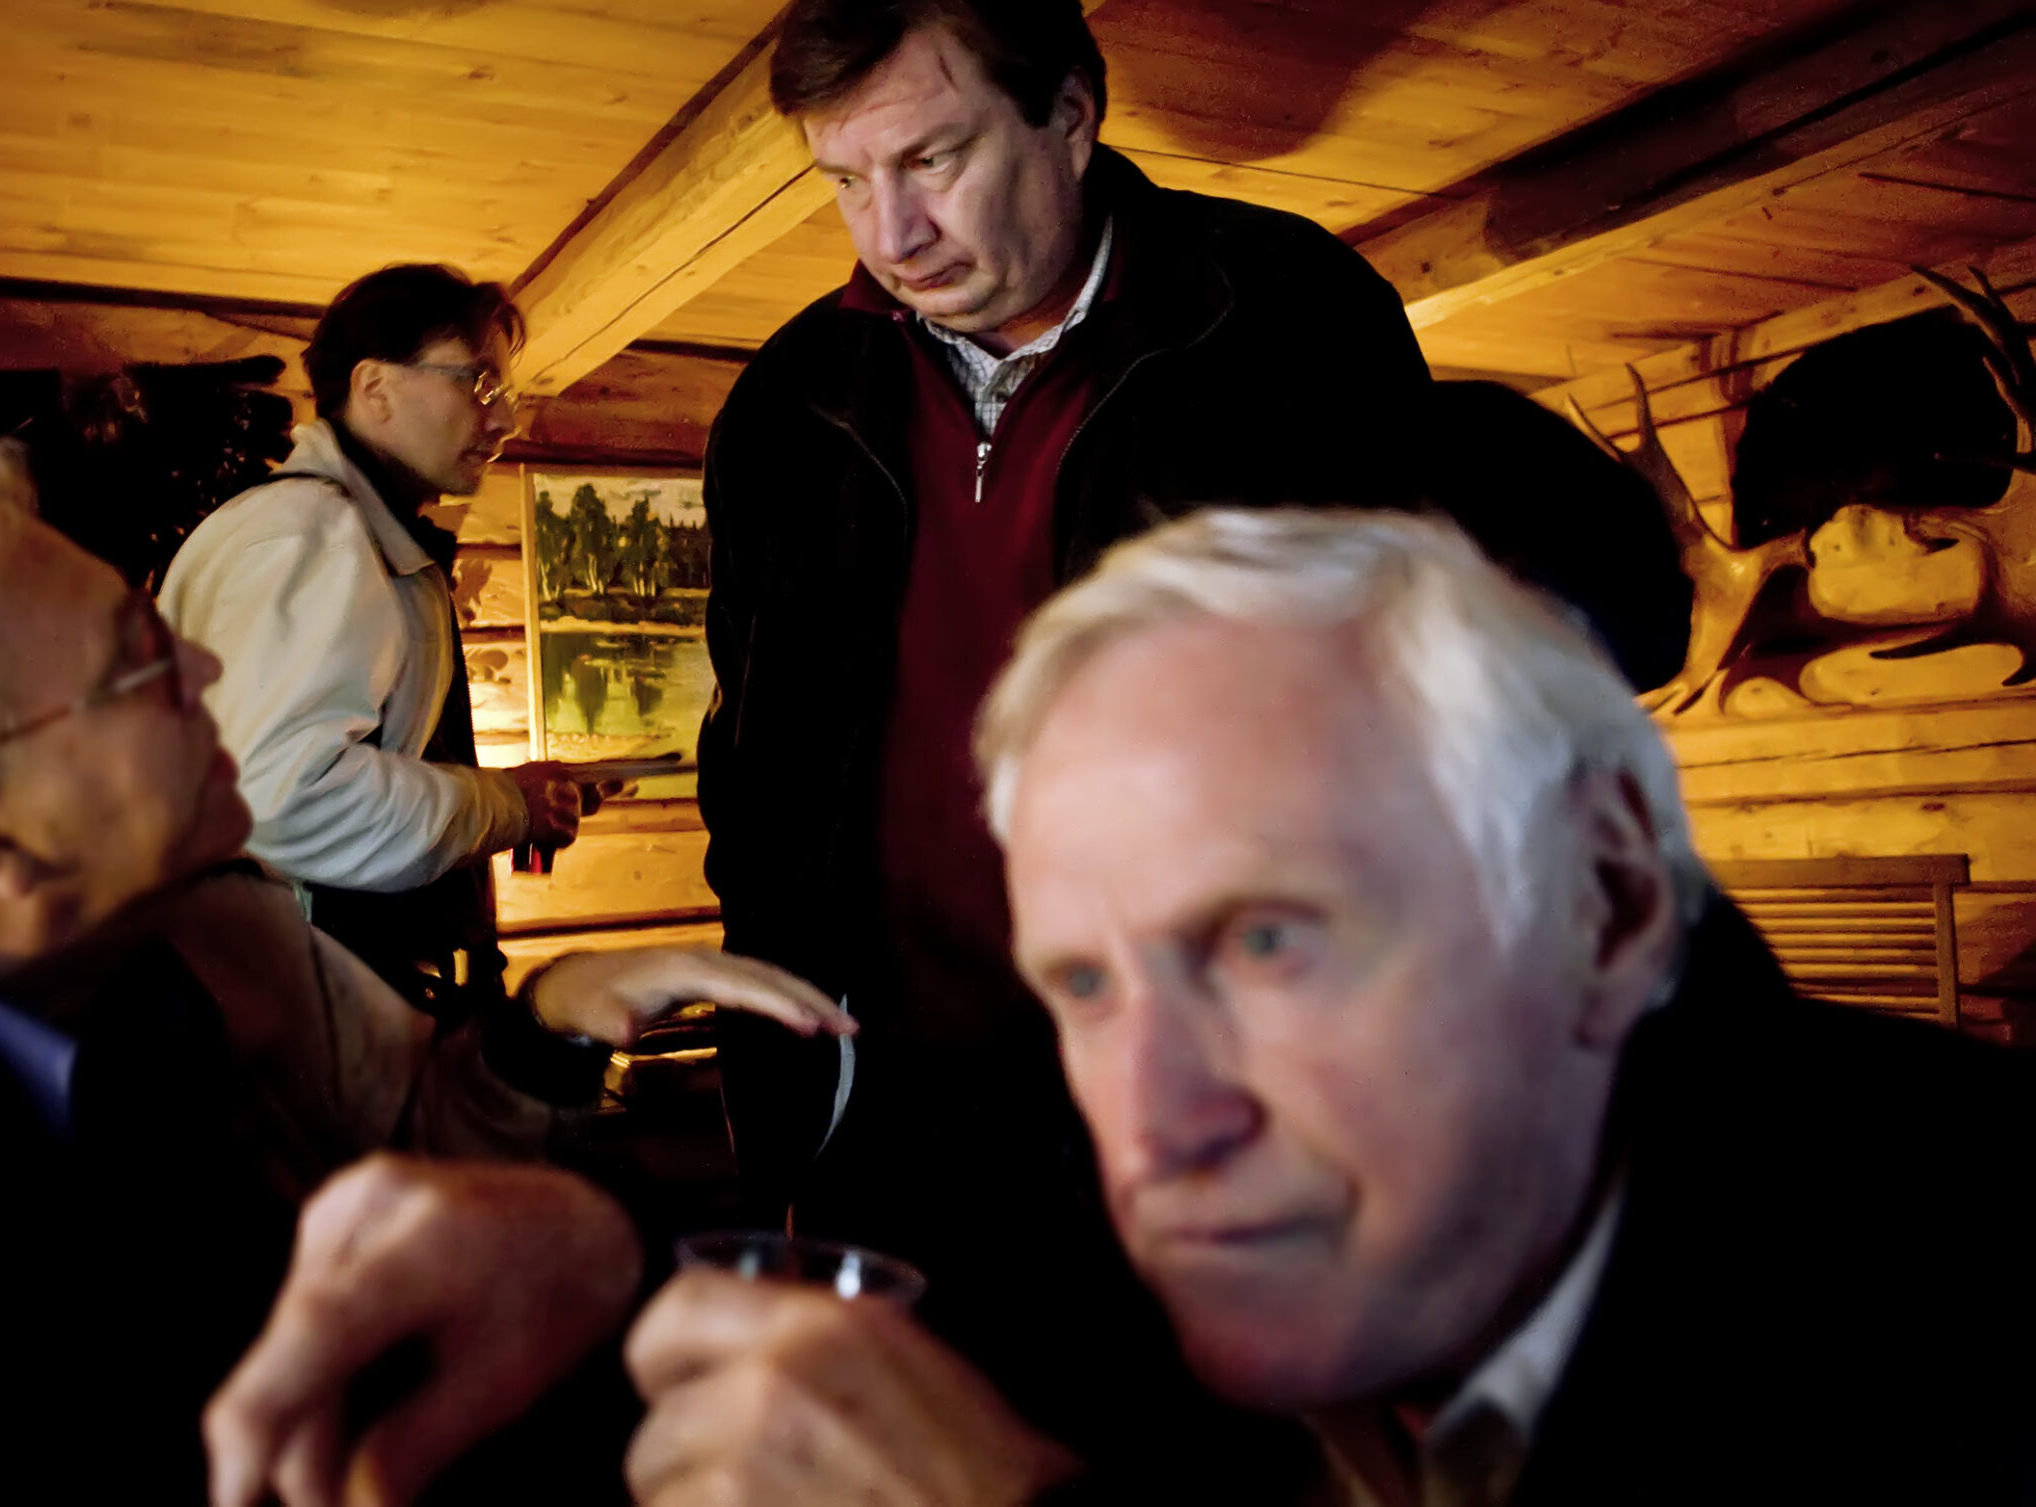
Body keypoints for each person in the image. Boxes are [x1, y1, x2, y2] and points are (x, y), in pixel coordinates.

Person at [0, 448, 849, 1506]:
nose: (202, 662)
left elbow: (406, 1125)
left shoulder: (208, 924)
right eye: (135, 667)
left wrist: (553, 1016)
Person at [626, 509, 2036, 1504]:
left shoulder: (1955, 1302)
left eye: (1264, 943)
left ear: (1602, 903)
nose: (1154, 1127)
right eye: (1085, 982)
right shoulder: (1073, 1284)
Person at [696, 0, 1437, 1451]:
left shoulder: (1288, 321)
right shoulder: (784, 405)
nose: (891, 234)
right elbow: (751, 759)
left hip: (1217, 1097)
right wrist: (792, 1089)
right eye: (844, 180)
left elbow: (1408, 714)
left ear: (1071, 112)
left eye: (934, 159)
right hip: (892, 1113)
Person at [163, 263, 582, 1019]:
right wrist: (504, 808)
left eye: (505, 394)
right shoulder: (310, 534)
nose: (504, 421)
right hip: (291, 1014)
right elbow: (295, 800)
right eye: (480, 384)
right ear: (375, 387)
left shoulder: (348, 531)